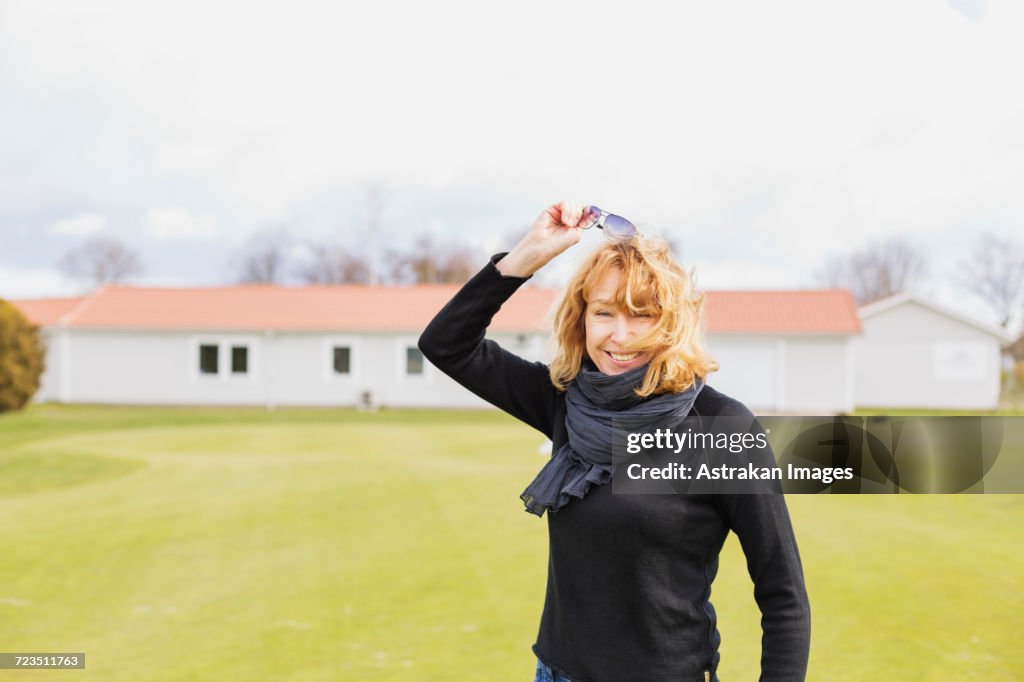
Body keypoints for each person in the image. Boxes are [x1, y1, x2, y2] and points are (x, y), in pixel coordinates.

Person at [418, 201, 811, 682]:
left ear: (669, 323)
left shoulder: (721, 427)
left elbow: (782, 590)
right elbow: (445, 344)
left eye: (640, 315)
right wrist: (526, 257)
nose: (619, 336)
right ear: (581, 318)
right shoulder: (565, 401)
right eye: (604, 313)